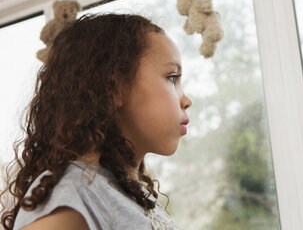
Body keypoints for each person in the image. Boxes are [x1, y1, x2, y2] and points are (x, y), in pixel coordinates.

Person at [0, 12, 192, 230]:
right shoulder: (73, 194)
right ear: (114, 87)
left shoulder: (129, 191)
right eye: (172, 78)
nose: (186, 100)